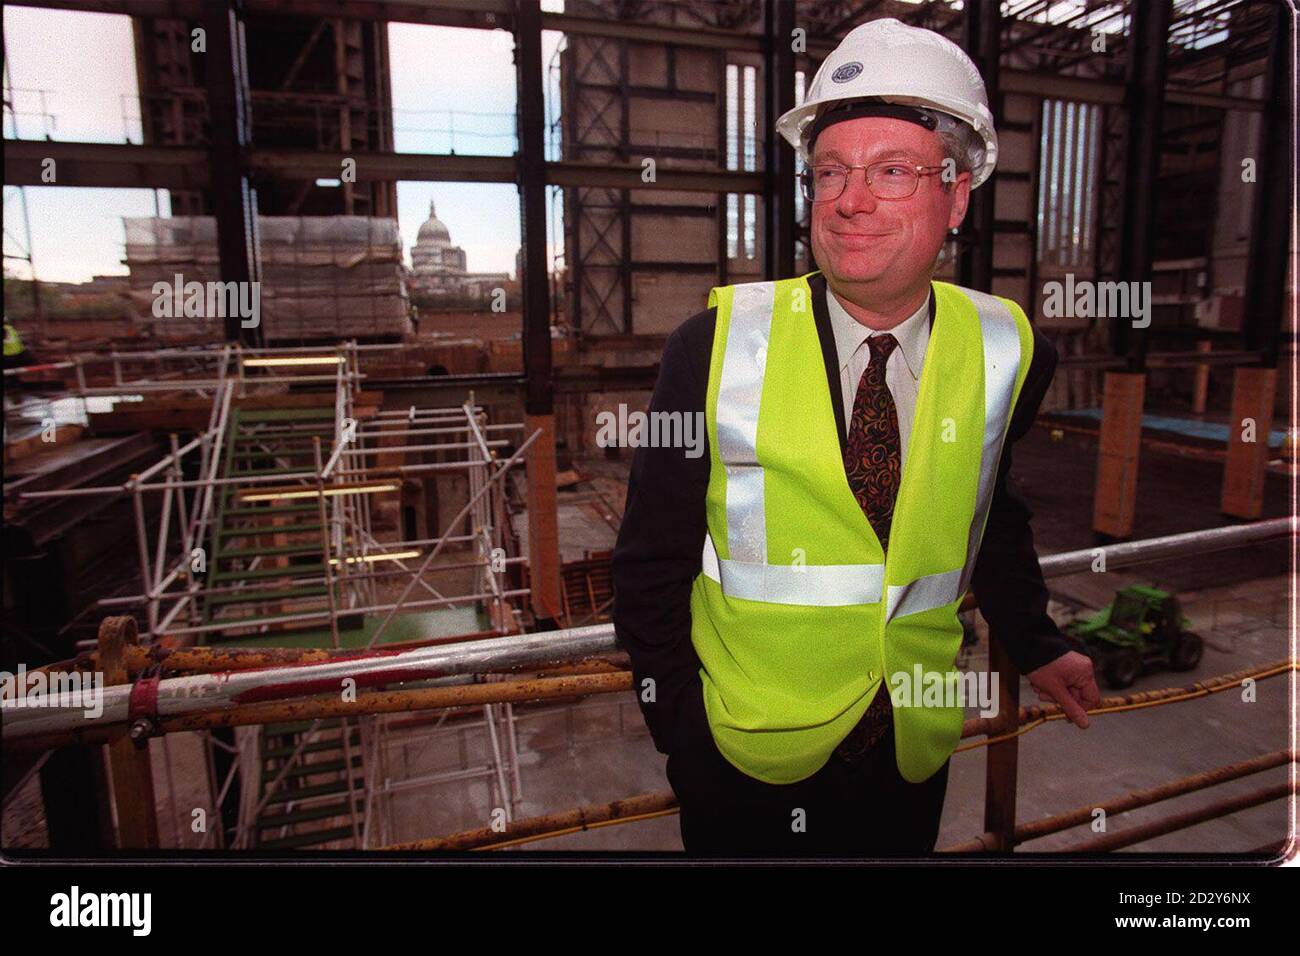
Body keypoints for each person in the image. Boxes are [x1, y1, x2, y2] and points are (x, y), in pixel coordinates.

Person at [612, 17, 1100, 857]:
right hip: (746, 761)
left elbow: (992, 512)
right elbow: (649, 564)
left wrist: (1036, 638)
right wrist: (680, 736)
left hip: (907, 754)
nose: (850, 199)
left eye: (893, 171)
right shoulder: (714, 347)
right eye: (829, 171)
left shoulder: (1009, 352)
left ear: (956, 195)